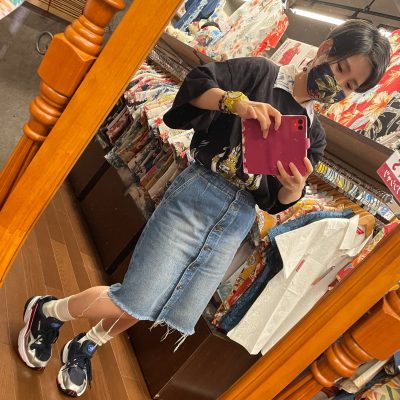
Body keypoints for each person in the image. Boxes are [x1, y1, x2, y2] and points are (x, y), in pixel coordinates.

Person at [17, 19, 390, 397]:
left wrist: (293, 190)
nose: (338, 85)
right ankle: (48, 312)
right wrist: (236, 103)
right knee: (136, 297)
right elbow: (196, 86)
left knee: (160, 302)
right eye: (341, 69)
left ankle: (88, 343)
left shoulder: (313, 135)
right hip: (198, 195)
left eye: (350, 86)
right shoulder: (261, 74)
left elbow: (276, 201)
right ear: (325, 49)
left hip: (238, 221)